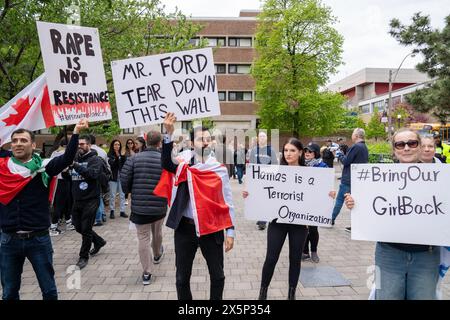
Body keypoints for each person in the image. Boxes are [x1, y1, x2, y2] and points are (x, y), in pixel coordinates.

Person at [344, 128, 440, 300]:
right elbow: (367, 205)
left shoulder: (439, 178)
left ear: (419, 146)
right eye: (400, 144)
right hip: (389, 254)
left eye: (412, 143)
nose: (406, 148)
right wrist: (354, 203)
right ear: (394, 150)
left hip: (426, 256)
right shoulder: (379, 178)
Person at [0, 119, 88, 300]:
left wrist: (76, 131)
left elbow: (66, 158)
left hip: (38, 240)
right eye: (15, 140)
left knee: (48, 290)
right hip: (9, 240)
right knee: (9, 292)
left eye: (23, 140)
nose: (18, 144)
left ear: (33, 144)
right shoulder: (3, 168)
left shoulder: (44, 167)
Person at [243, 138, 335, 300]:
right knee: (271, 258)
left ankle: (291, 294)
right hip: (277, 222)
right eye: (286, 150)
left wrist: (328, 195)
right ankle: (262, 293)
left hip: (299, 224)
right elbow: (259, 188)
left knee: (295, 259)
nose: (288, 154)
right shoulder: (275, 171)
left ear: (300, 152)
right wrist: (249, 192)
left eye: (292, 150)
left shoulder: (310, 174)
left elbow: (317, 194)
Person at [157, 112, 235, 300]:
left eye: (209, 139)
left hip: (212, 228)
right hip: (185, 228)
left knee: (218, 276)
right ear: (192, 144)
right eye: (201, 139)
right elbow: (167, 163)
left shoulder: (219, 169)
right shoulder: (183, 164)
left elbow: (227, 201)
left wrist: (230, 232)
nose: (206, 142)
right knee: (182, 278)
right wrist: (168, 134)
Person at [120, 131, 167, 285]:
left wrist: (130, 192)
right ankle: (157, 254)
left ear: (146, 141)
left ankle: (147, 272)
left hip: (140, 206)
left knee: (143, 238)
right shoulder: (164, 160)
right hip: (159, 204)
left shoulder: (134, 158)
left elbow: (124, 180)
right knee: (157, 232)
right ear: (159, 143)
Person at [71, 135, 107, 270]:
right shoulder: (74, 159)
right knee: (78, 227)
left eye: (82, 144)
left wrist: (75, 165)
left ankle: (83, 256)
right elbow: (70, 176)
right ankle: (99, 241)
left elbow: (92, 175)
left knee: (86, 228)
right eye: (78, 144)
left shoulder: (95, 159)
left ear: (89, 145)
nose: (80, 146)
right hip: (77, 199)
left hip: (91, 199)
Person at [331, 128, 368, 228]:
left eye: (352, 134)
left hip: (348, 179)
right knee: (355, 202)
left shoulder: (355, 147)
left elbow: (346, 161)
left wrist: (340, 155)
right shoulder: (364, 147)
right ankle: (356, 225)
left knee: (339, 200)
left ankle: (331, 220)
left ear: (356, 136)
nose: (351, 136)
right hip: (358, 179)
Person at [301, 142, 331, 263]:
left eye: (310, 151)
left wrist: (330, 193)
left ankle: (314, 251)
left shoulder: (322, 166)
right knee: (303, 228)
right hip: (301, 201)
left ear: (316, 153)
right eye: (306, 151)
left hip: (315, 202)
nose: (307, 153)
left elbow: (327, 183)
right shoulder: (300, 165)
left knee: (313, 228)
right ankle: (304, 251)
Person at [248, 131, 278, 230]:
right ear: (258, 139)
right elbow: (250, 165)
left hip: (266, 179)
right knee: (257, 199)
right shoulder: (254, 150)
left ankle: (263, 221)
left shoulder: (271, 150)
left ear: (266, 139)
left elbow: (274, 165)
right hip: (256, 179)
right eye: (260, 136)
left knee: (264, 199)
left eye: (263, 136)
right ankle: (260, 216)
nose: (261, 138)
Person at [49, 138, 74, 235]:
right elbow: (65, 168)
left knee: (64, 202)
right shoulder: (64, 153)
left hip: (56, 180)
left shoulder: (54, 153)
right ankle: (53, 227)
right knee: (60, 204)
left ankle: (68, 222)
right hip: (62, 180)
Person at [89, 134, 108, 225]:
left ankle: (98, 218)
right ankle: (103, 215)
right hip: (102, 177)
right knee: (100, 196)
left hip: (92, 177)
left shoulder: (88, 151)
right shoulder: (102, 151)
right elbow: (107, 165)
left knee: (97, 197)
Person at [107, 139, 127, 219]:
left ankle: (122, 211)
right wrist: (117, 157)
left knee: (122, 195)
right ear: (112, 146)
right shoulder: (109, 155)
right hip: (113, 178)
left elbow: (124, 165)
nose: (117, 146)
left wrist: (121, 156)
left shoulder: (122, 155)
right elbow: (112, 164)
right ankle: (112, 210)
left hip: (121, 178)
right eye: (115, 144)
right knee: (112, 195)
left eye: (118, 145)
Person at [124, 138, 136, 206]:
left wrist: (131, 150)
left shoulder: (135, 151)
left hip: (134, 170)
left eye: (131, 143)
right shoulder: (125, 151)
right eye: (128, 143)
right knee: (127, 185)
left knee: (133, 185)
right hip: (127, 170)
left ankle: (133, 198)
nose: (130, 144)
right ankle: (126, 198)